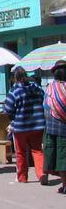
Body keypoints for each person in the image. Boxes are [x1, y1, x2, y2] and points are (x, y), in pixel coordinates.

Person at [4, 67, 46, 184]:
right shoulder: (37, 88)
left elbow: (7, 109)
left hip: (20, 126)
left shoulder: (14, 91)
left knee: (21, 152)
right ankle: (42, 174)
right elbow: (44, 101)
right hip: (38, 125)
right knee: (37, 150)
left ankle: (22, 177)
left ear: (15, 78)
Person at [43, 60, 66, 194]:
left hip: (51, 127)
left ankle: (64, 184)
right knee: (62, 158)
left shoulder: (50, 88)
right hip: (62, 128)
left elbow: (45, 105)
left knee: (58, 158)